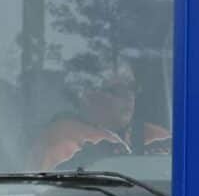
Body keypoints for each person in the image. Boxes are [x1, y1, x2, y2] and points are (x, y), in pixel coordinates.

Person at [38, 63, 167, 169]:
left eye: (132, 87)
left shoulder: (157, 138)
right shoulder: (60, 142)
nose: (129, 95)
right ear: (86, 95)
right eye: (118, 89)